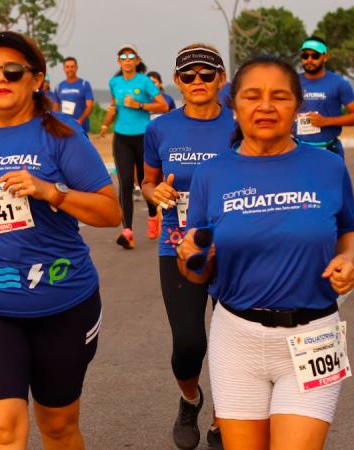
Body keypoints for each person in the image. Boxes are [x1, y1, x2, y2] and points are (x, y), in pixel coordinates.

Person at [0, 31, 121, 449]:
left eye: (13, 70)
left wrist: (52, 192)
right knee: (3, 428)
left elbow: (110, 212)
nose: (0, 79)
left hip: (62, 301)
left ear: (36, 80)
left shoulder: (62, 134)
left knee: (59, 427)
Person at [178, 55, 354, 450]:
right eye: (253, 96)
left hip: (314, 337)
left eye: (279, 97)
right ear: (234, 105)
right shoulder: (211, 174)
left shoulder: (328, 167)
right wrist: (191, 258)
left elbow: (348, 233)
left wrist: (349, 260)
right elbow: (197, 271)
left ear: (298, 106)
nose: (266, 106)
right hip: (235, 339)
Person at [142, 44, 233, 450]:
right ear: (177, 81)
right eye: (189, 75)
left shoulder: (239, 123)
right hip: (177, 247)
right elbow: (147, 182)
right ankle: (190, 399)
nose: (198, 81)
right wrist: (154, 191)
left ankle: (223, 421)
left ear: (221, 78)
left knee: (233, 343)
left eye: (207, 73)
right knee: (189, 343)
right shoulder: (159, 128)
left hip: (236, 247)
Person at [100, 44, 168, 248]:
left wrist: (139, 105)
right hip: (121, 136)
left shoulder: (144, 81)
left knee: (146, 179)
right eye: (123, 57)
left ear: (137, 61)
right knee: (126, 182)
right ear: (119, 62)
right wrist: (105, 123)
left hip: (143, 137)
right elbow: (114, 106)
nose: (127, 60)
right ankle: (127, 231)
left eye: (131, 57)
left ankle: (153, 213)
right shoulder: (114, 82)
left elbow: (163, 105)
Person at [295, 36, 354, 158]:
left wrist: (327, 121)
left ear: (325, 57)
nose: (309, 60)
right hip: (298, 150)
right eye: (305, 56)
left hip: (329, 151)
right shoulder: (292, 82)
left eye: (315, 56)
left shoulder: (339, 83)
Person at [55, 57, 94, 133]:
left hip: (81, 127)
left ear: (76, 68)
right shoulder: (59, 86)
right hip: (65, 127)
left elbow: (90, 106)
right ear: (63, 68)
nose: (70, 69)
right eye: (67, 67)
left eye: (72, 67)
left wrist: (79, 121)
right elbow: (56, 108)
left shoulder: (84, 84)